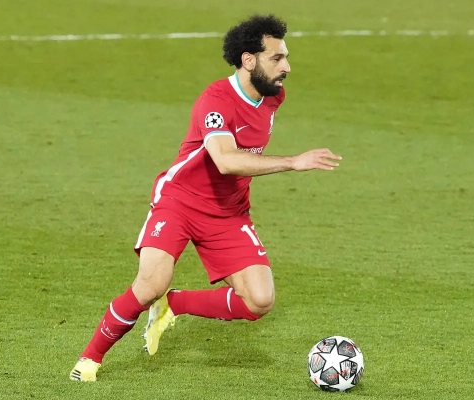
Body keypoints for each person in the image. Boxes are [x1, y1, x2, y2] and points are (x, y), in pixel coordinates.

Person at [69, 14, 341, 382]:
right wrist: (293, 161)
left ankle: (174, 304)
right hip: (180, 202)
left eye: (286, 57)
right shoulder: (215, 100)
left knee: (259, 300)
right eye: (277, 58)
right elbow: (225, 160)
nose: (286, 67)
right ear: (249, 60)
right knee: (151, 283)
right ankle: (90, 359)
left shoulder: (273, 96)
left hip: (229, 212)